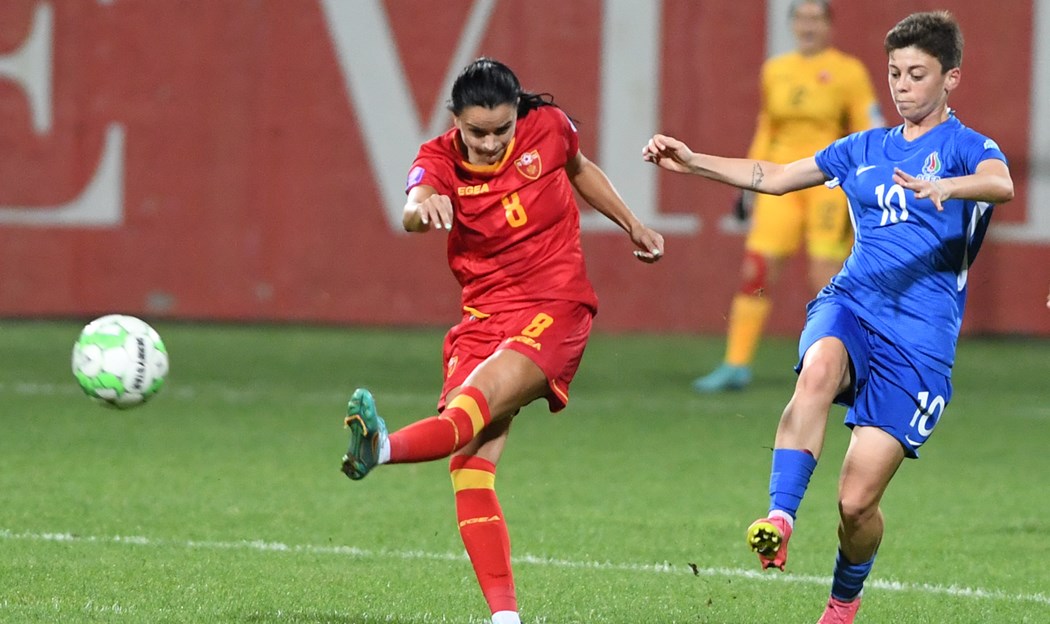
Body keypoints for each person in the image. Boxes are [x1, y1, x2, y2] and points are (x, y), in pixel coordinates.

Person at [644, 11, 1012, 624]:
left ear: (951, 78)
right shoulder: (864, 147)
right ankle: (780, 515)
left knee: (856, 505)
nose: (902, 86)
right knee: (817, 370)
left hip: (919, 342)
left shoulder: (966, 148)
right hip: (853, 302)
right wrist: (693, 161)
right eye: (894, 72)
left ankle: (843, 603)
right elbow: (778, 176)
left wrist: (952, 187)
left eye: (917, 74)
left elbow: (1000, 184)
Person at [340, 58, 664, 624]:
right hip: (483, 316)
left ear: (518, 114)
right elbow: (413, 206)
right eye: (476, 132)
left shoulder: (550, 127)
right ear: (455, 121)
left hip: (555, 306)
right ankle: (505, 618)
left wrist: (632, 223)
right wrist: (422, 208)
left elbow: (579, 167)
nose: (490, 144)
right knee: (469, 466)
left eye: (501, 130)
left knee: (474, 404)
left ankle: (381, 448)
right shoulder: (438, 159)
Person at [695, 0, 882, 393]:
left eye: (815, 19)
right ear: (792, 25)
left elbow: (867, 128)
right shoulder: (776, 70)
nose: (808, 26)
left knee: (826, 277)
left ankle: (847, 362)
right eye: (801, 19)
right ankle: (736, 364)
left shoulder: (848, 72)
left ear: (829, 26)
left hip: (825, 182)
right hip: (780, 183)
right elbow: (768, 127)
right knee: (757, 271)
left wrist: (868, 180)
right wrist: (747, 184)